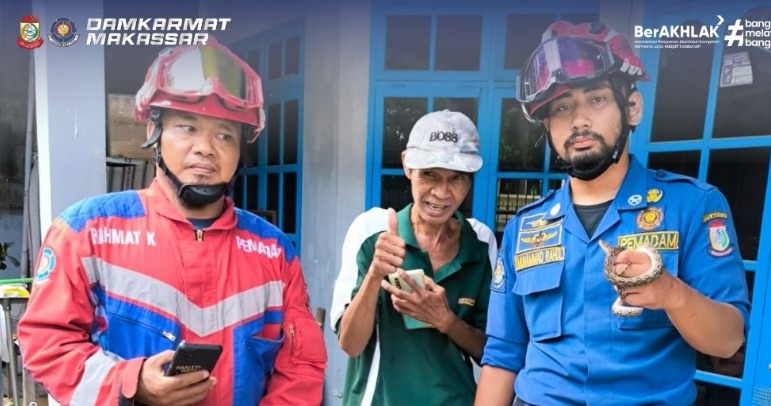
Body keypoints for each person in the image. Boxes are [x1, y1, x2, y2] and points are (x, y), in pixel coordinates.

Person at [18, 39, 326, 406]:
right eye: (187, 127)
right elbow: (47, 343)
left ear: (242, 147)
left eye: (225, 134)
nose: (206, 147)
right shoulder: (87, 232)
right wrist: (129, 384)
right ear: (155, 133)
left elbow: (302, 366)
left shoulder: (274, 251)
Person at [476, 21, 750, 406]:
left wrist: (670, 293)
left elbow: (727, 341)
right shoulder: (525, 227)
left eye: (597, 99)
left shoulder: (692, 205)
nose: (579, 120)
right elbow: (503, 355)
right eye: (562, 107)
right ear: (548, 126)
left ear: (632, 107)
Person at [330, 110, 497, 405]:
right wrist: (374, 275)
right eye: (429, 174)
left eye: (457, 177)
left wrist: (445, 320)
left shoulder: (481, 241)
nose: (442, 193)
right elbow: (350, 344)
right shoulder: (372, 230)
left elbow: (492, 352)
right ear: (408, 166)